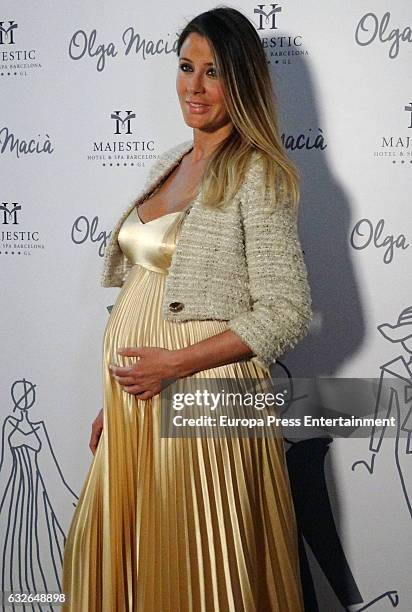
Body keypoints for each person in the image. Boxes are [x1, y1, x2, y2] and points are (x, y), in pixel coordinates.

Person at [62, 6, 313, 611]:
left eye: (214, 72)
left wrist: (174, 364)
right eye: (186, 67)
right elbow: (148, 287)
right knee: (141, 558)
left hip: (206, 396)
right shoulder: (170, 163)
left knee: (203, 570)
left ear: (243, 81)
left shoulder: (260, 174)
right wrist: (119, 397)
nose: (194, 88)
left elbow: (287, 310)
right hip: (141, 400)